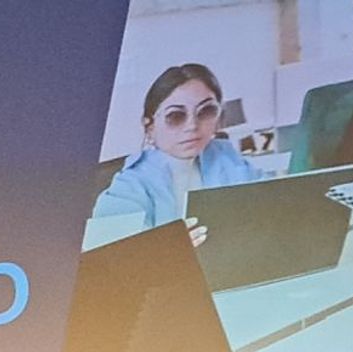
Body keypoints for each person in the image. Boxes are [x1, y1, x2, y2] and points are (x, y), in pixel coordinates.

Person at [93, 63, 262, 245]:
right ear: (150, 126)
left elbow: (269, 202)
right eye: (175, 116)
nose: (192, 126)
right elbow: (113, 252)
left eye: (206, 111)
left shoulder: (225, 156)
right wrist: (171, 248)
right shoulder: (129, 185)